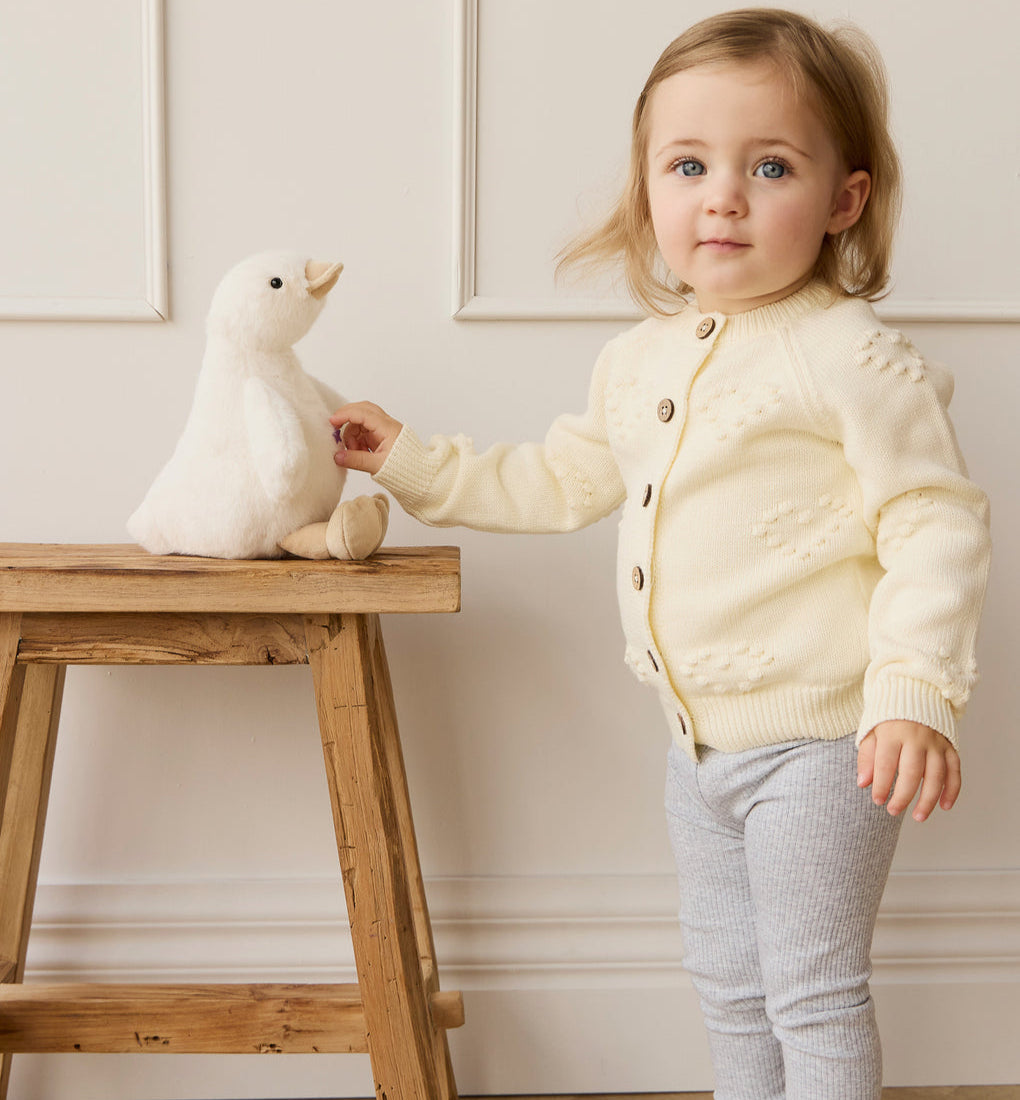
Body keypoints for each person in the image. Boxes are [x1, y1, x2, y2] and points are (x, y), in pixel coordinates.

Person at [330, 9, 991, 1098]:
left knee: (811, 989)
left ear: (842, 200)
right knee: (725, 979)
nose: (722, 194)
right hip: (694, 750)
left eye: (767, 165)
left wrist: (914, 689)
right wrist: (409, 460)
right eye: (688, 164)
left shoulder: (853, 358)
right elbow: (555, 481)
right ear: (649, 193)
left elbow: (935, 517)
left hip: (827, 742)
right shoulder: (635, 362)